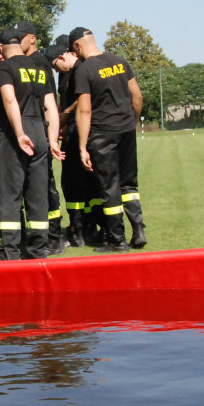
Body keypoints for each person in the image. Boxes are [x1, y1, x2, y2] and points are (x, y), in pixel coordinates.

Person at [0, 28, 63, 260]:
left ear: (1, 48)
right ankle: (38, 250)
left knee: (9, 193)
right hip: (40, 130)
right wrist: (52, 140)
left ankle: (11, 251)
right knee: (37, 193)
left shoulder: (4, 67)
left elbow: (9, 99)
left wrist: (19, 132)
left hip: (15, 134)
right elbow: (51, 106)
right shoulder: (41, 68)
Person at [71, 26, 147, 252]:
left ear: (77, 45)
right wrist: (131, 121)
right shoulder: (120, 61)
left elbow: (84, 111)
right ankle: (139, 230)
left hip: (102, 134)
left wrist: (82, 146)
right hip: (126, 130)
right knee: (129, 183)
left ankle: (117, 241)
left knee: (109, 187)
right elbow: (137, 95)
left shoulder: (84, 70)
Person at [14, 20, 67, 254]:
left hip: (41, 130)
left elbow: (49, 101)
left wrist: (51, 133)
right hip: (31, 130)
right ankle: (40, 236)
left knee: (45, 187)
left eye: (20, 38)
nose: (16, 43)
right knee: (32, 187)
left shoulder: (39, 62)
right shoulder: (26, 62)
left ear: (32, 38)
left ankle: (55, 236)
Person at [45, 37, 102, 248]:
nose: (57, 71)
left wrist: (65, 116)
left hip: (80, 132)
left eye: (55, 66)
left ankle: (81, 229)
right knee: (80, 184)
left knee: (75, 183)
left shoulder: (80, 71)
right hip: (74, 132)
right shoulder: (69, 74)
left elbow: (81, 100)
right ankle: (86, 227)